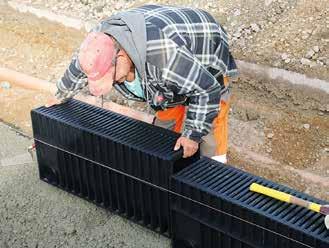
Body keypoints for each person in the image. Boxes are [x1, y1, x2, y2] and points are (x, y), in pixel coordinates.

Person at [47, 4, 238, 162]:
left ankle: (214, 169)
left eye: (112, 78)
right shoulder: (97, 44)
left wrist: (192, 135)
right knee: (166, 122)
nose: (115, 83)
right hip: (172, 60)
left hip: (206, 49)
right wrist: (59, 95)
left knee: (209, 129)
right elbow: (78, 70)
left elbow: (207, 90)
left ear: (120, 56)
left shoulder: (162, 58)